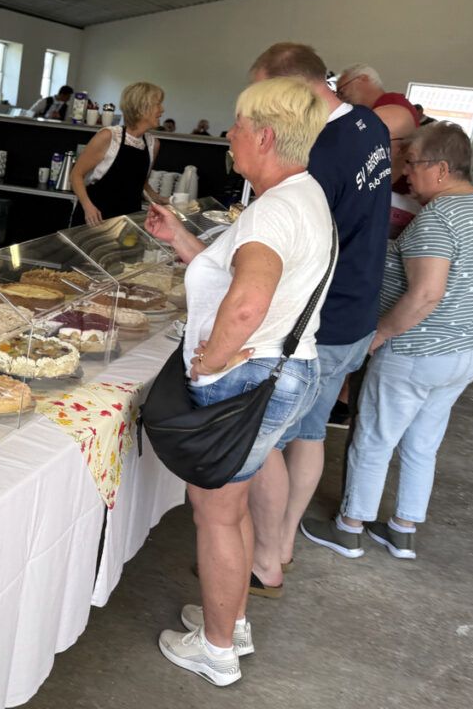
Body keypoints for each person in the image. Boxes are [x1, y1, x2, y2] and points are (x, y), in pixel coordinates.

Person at [145, 77, 331, 686]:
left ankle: (217, 650)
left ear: (266, 137)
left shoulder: (272, 211)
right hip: (284, 370)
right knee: (235, 502)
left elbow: (248, 301)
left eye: (239, 125)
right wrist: (180, 238)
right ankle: (234, 621)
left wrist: (211, 359)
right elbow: (236, 277)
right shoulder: (301, 195)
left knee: (217, 513)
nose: (229, 134)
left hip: (247, 377)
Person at [244, 43, 392, 595]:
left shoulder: (321, 149)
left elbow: (293, 243)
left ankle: (263, 558)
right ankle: (281, 544)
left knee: (264, 441)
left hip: (319, 319)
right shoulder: (367, 124)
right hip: (357, 309)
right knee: (309, 432)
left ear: (293, 87)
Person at [302, 123, 473, 561]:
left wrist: (380, 334)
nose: (405, 173)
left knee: (374, 437)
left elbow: (425, 295)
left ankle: (350, 527)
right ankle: (403, 529)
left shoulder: (438, 218)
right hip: (464, 351)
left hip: (416, 351)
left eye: (412, 163)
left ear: (441, 169)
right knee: (423, 441)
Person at [336, 63, 420, 237]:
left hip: (394, 199)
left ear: (363, 79)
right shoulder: (376, 111)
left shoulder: (392, 105)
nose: (341, 98)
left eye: (342, 91)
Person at [69, 82, 164, 226]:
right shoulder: (109, 136)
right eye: (158, 104)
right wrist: (88, 207)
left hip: (128, 222)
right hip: (95, 219)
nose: (162, 109)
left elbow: (141, 182)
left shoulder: (153, 144)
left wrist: (159, 199)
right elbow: (76, 175)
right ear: (141, 108)